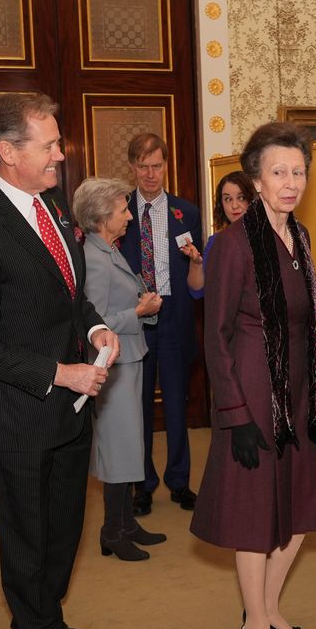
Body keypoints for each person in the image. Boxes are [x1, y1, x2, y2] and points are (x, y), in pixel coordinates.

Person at [0, 93, 120, 629]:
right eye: (48, 145)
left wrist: (94, 326)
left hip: (69, 413)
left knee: (64, 525)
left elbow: (71, 294)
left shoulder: (51, 209)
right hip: (21, 415)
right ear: (7, 153)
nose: (59, 153)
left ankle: (43, 615)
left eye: (56, 142)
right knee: (27, 534)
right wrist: (58, 371)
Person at [190, 122, 316, 629]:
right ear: (256, 179)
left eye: (298, 171)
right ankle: (255, 626)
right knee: (256, 518)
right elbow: (217, 335)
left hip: (297, 395)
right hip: (252, 399)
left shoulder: (297, 237)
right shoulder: (231, 244)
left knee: (299, 509)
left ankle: (271, 608)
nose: (290, 181)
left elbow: (309, 323)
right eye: (278, 171)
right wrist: (234, 415)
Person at [73, 177, 166, 561]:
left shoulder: (108, 249)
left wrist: (141, 307)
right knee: (117, 447)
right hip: (112, 364)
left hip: (129, 358)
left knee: (130, 444)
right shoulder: (93, 259)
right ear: (100, 218)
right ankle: (112, 530)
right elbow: (92, 321)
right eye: (123, 210)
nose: (130, 216)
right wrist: (138, 312)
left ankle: (126, 523)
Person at [118, 133, 203, 516]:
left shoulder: (188, 212)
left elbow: (198, 270)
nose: (151, 174)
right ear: (132, 168)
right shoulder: (119, 213)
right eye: (143, 166)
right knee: (136, 407)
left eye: (157, 165)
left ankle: (179, 480)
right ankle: (143, 483)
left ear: (166, 166)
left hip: (174, 318)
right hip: (136, 319)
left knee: (175, 406)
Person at [186, 170, 256, 296]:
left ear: (252, 199)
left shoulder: (268, 237)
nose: (235, 205)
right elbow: (197, 291)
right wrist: (196, 264)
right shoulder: (216, 241)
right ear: (221, 204)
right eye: (228, 199)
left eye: (241, 197)